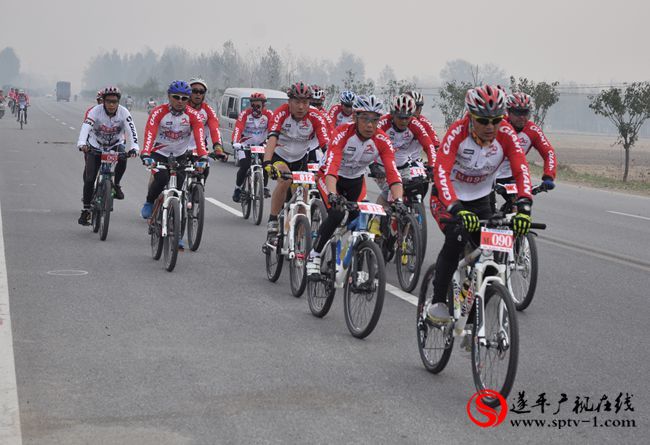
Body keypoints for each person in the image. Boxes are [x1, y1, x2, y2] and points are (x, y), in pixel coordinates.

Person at [426, 85, 535, 322]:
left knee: (492, 249)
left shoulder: (506, 134)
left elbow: (521, 168)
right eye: (483, 121)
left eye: (496, 120)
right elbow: (441, 172)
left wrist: (525, 206)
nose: (490, 127)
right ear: (471, 116)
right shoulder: (457, 133)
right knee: (456, 236)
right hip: (448, 198)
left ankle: (474, 306)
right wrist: (455, 207)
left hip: (481, 199)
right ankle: (437, 302)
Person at [306, 95, 406, 275]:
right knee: (336, 213)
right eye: (365, 119)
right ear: (354, 118)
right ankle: (315, 253)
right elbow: (332, 166)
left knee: (359, 221)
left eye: (375, 120)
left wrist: (398, 200)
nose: (370, 125)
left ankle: (352, 263)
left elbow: (392, 172)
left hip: (355, 181)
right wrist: (332, 194)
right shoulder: (343, 133)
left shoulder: (382, 140)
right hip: (330, 177)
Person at [263, 81, 330, 241]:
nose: (301, 107)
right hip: (280, 156)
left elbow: (325, 143)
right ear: (289, 102)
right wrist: (266, 162)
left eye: (305, 102)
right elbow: (272, 138)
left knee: (302, 194)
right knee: (285, 180)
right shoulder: (280, 113)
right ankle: (273, 220)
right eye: (297, 102)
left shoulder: (315, 117)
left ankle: (298, 240)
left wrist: (330, 164)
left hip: (301, 159)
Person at [139, 81, 209, 223]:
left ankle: (175, 230)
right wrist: (145, 153)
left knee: (178, 192)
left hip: (180, 154)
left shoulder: (193, 115)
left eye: (184, 98)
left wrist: (203, 156)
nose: (180, 101)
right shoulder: (158, 112)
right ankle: (149, 201)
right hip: (160, 153)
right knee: (162, 178)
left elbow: (199, 138)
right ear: (169, 96)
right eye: (176, 97)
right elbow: (150, 134)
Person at [76, 86, 140, 225]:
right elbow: (86, 127)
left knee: (123, 157)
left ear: (119, 102)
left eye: (115, 101)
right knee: (89, 178)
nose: (112, 104)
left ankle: (116, 184)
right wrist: (82, 143)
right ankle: (86, 210)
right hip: (96, 145)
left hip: (115, 144)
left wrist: (134, 147)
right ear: (103, 101)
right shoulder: (95, 111)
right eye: (109, 101)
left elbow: (132, 130)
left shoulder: (124, 112)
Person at [493, 92, 556, 207]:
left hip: (511, 176)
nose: (522, 117)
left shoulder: (533, 130)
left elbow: (549, 153)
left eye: (525, 113)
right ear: (508, 112)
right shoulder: (497, 125)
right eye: (517, 113)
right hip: (489, 174)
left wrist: (548, 177)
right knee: (488, 208)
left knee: (520, 207)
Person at [373, 94, 437, 206]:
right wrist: (372, 165)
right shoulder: (383, 123)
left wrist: (432, 166)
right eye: (400, 117)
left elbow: (429, 145)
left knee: (411, 190)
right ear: (392, 115)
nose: (403, 121)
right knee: (391, 192)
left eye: (407, 117)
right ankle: (377, 220)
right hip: (382, 166)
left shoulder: (414, 124)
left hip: (403, 166)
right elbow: (370, 144)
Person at [232, 91, 274, 202]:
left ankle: (264, 187)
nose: (255, 108)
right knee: (244, 165)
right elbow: (238, 128)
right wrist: (235, 142)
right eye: (253, 105)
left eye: (258, 106)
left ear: (263, 106)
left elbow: (272, 130)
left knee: (266, 163)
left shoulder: (268, 114)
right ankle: (238, 188)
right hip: (245, 144)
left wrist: (272, 143)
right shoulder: (245, 114)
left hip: (261, 144)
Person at [187, 77, 225, 180]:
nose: (198, 94)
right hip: (180, 147)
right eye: (194, 91)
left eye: (201, 91)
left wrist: (217, 146)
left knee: (205, 171)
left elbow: (214, 129)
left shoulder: (208, 110)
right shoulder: (181, 107)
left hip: (199, 148)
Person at [307, 85, 334, 162]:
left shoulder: (324, 114)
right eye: (312, 104)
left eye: (318, 104)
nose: (315, 107)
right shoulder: (300, 111)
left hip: (313, 146)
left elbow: (330, 131)